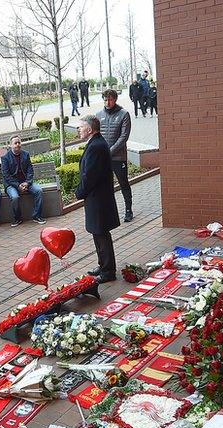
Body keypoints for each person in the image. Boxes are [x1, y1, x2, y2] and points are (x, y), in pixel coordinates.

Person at [75, 115, 119, 284]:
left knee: (101, 234)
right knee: (98, 233)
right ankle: (103, 265)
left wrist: (79, 193)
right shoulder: (96, 143)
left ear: (90, 129)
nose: (79, 129)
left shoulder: (96, 146)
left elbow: (90, 176)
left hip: (98, 199)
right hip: (97, 198)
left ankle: (108, 271)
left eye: (81, 127)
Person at [97, 89, 134, 222]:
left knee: (124, 183)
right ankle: (107, 212)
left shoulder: (124, 114)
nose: (108, 102)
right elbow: (97, 135)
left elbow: (124, 136)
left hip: (118, 157)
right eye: (105, 100)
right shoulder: (99, 114)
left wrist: (110, 151)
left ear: (115, 99)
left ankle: (128, 210)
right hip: (104, 158)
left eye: (110, 99)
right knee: (105, 186)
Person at [0, 136, 45, 227]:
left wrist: (27, 183)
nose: (18, 145)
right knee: (15, 197)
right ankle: (18, 218)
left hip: (25, 182)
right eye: (15, 143)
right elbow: (6, 175)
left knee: (38, 191)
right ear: (10, 145)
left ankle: (37, 216)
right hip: (11, 184)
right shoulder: (5, 158)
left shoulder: (26, 154)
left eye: (19, 143)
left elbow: (30, 170)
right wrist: (18, 185)